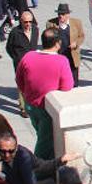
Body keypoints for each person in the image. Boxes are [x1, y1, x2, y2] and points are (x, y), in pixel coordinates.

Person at [15, 29, 75, 159]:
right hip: (47, 110)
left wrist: (27, 93)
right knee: (44, 143)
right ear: (58, 43)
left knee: (43, 137)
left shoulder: (28, 56)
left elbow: (19, 79)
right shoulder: (61, 61)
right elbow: (67, 87)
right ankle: (37, 169)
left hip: (30, 105)